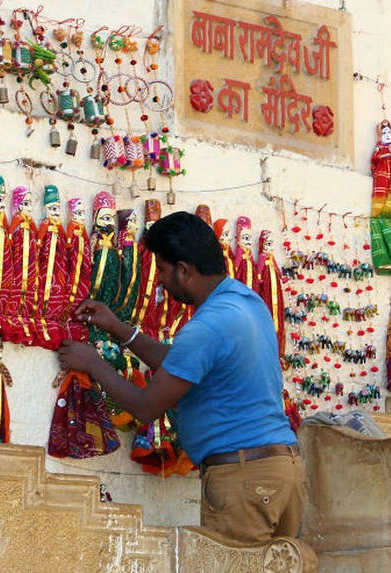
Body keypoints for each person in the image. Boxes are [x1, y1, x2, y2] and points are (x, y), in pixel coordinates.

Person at [58, 211, 304, 546]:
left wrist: (93, 363)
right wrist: (118, 328)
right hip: (280, 471)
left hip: (245, 480)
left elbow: (146, 408)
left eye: (161, 269)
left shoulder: (208, 325)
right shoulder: (246, 301)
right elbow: (180, 365)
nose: (159, 280)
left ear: (184, 271)